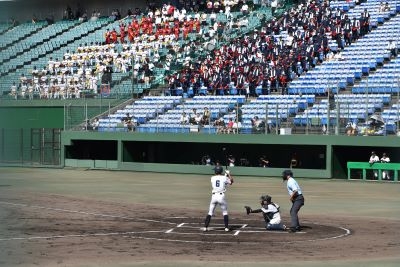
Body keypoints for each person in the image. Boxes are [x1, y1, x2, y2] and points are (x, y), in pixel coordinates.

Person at [203, 165, 234, 232]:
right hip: (221, 197)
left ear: (216, 171)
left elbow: (220, 182)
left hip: (214, 197)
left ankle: (205, 227)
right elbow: (231, 182)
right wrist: (228, 174)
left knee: (210, 212)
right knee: (225, 212)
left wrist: (225, 176)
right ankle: (226, 228)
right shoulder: (224, 178)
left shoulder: (212, 178)